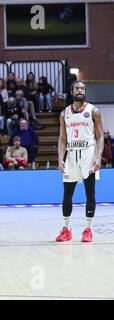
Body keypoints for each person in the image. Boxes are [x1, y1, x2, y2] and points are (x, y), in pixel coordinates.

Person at [56, 81, 104, 243]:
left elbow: (100, 137)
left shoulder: (94, 111)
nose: (80, 90)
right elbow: (62, 139)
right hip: (71, 153)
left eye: (82, 88)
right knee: (67, 193)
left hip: (88, 153)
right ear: (71, 91)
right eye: (77, 88)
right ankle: (66, 229)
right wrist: (60, 159)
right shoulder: (64, 113)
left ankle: (88, 229)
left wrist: (98, 157)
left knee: (90, 192)